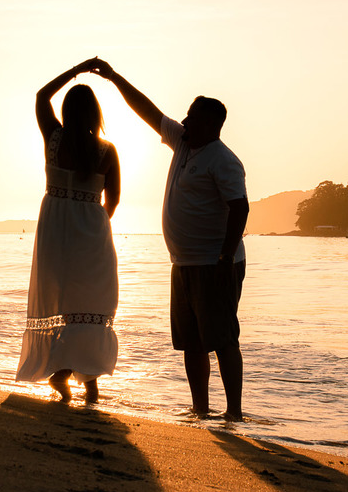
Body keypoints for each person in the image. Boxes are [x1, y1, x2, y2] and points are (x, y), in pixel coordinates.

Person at [93, 60, 249, 420]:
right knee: (192, 343)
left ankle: (235, 413)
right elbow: (148, 110)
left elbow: (240, 209)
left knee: (223, 338)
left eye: (192, 115)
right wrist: (115, 77)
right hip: (183, 263)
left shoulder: (223, 161)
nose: (185, 119)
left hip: (215, 262)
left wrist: (226, 257)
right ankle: (200, 409)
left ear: (211, 124)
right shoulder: (183, 142)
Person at [15, 59, 121, 403]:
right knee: (91, 304)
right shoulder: (107, 151)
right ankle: (89, 381)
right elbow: (114, 200)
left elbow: (41, 95)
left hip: (54, 231)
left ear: (67, 110)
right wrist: (92, 225)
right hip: (92, 233)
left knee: (60, 301)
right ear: (95, 114)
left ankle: (61, 372)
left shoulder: (54, 138)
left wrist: (78, 69)